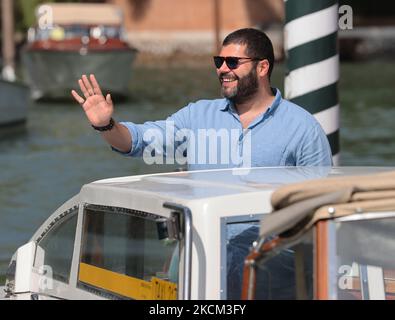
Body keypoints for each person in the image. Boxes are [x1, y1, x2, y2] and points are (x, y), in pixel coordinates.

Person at [72, 28, 332, 170]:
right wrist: (105, 125)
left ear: (262, 68)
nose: (222, 69)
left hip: (273, 266)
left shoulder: (303, 128)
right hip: (203, 264)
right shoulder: (197, 117)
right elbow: (141, 141)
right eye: (219, 61)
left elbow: (319, 206)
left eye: (232, 62)